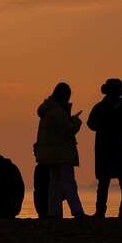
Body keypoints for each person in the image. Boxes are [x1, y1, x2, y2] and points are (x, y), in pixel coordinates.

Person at [87, 79, 122, 219]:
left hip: (106, 149)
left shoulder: (99, 107)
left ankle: (101, 212)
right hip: (120, 149)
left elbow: (91, 124)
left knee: (105, 183)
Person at [34, 82, 86, 218]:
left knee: (55, 185)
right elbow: (68, 130)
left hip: (51, 154)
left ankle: (53, 213)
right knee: (68, 182)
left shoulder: (48, 110)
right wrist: (76, 121)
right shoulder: (57, 112)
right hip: (62, 153)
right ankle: (77, 211)